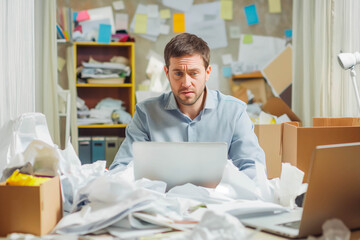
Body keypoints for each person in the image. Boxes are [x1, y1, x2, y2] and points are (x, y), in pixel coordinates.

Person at [110, 33, 265, 179]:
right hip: (163, 202)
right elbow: (121, 168)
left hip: (219, 202)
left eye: (194, 73)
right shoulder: (146, 113)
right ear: (167, 72)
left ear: (207, 72)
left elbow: (253, 168)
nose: (186, 83)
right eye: (178, 73)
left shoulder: (234, 112)